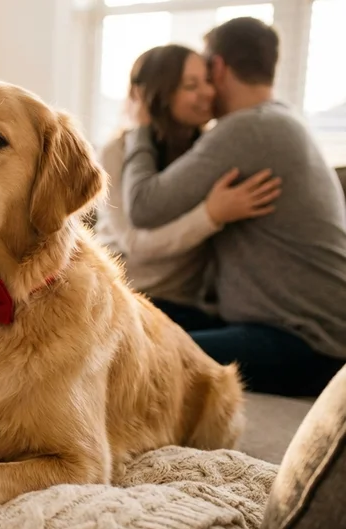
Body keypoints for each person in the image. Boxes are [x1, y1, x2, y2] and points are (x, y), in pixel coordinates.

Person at [122, 17, 346, 396]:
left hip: (304, 343)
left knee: (142, 353)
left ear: (220, 67)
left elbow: (144, 205)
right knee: (135, 316)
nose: (206, 90)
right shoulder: (281, 119)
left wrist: (141, 124)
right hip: (307, 332)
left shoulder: (247, 129)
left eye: (206, 74)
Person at [95, 44, 280, 329]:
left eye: (207, 80)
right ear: (159, 95)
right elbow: (134, 243)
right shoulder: (115, 152)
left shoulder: (210, 151)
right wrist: (212, 215)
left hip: (180, 304)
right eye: (191, 85)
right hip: (123, 295)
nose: (207, 92)